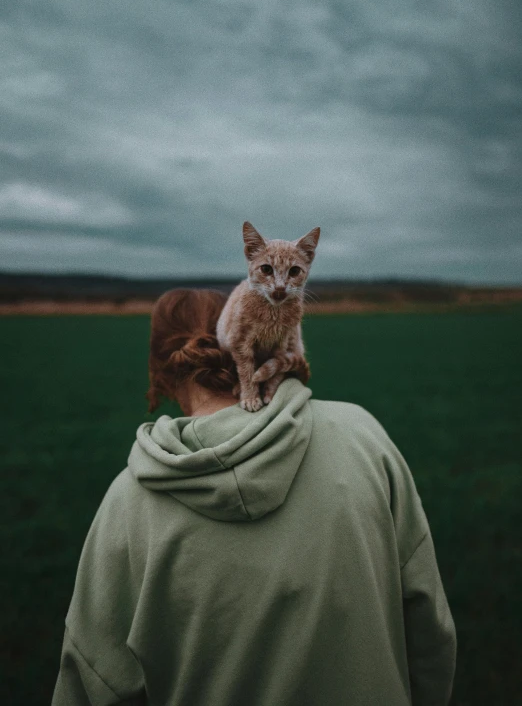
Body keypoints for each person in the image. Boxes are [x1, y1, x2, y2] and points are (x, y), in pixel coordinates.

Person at [52, 288, 457, 706]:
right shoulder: (363, 437)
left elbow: (95, 679)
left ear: (159, 368)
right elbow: (428, 629)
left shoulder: (128, 500)